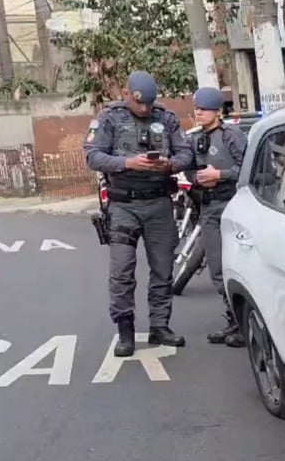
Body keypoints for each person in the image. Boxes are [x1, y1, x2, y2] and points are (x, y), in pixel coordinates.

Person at [84, 70, 193, 357]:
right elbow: (93, 156)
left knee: (163, 269)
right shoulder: (109, 119)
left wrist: (169, 164)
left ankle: (160, 326)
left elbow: (186, 153)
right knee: (122, 271)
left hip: (159, 203)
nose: (144, 108)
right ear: (126, 94)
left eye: (149, 103)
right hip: (123, 205)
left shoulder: (166, 118)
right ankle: (125, 331)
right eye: (138, 102)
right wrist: (128, 163)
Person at [185, 86, 247, 347]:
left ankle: (246, 325)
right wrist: (198, 179)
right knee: (217, 267)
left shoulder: (231, 136)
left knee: (239, 266)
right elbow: (188, 168)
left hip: (232, 205)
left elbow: (248, 169)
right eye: (197, 108)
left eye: (204, 109)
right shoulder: (194, 139)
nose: (199, 113)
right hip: (209, 207)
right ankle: (233, 319)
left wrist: (219, 175)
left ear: (217, 111)